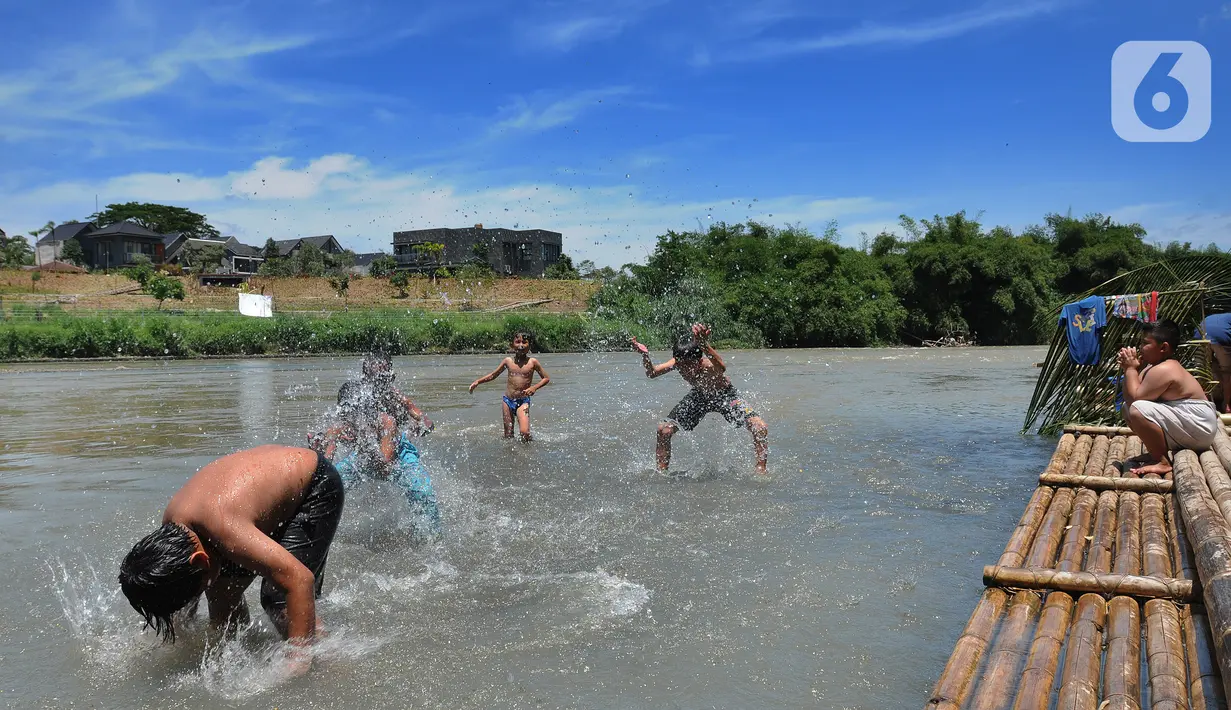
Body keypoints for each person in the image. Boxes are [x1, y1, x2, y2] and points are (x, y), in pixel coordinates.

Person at [118, 445, 344, 654]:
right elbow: (181, 600)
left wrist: (297, 662)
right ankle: (239, 651)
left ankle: (326, 658)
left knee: (278, 599)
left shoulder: (225, 529)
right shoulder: (173, 534)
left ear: (199, 560)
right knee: (223, 595)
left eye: (199, 589)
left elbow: (300, 579)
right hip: (254, 503)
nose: (200, 594)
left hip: (314, 485)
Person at [632, 323, 769, 475]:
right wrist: (645, 355)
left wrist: (704, 344)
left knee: (759, 427)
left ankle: (760, 470)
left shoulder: (708, 365)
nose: (684, 370)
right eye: (680, 365)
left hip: (725, 395)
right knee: (664, 430)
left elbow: (721, 367)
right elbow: (652, 373)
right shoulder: (678, 362)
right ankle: (661, 472)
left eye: (689, 366)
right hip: (699, 396)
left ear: (698, 360)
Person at [312, 380, 441, 539]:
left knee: (424, 493)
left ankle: (433, 537)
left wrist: (365, 446)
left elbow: (386, 469)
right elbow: (326, 470)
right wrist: (316, 456)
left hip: (399, 459)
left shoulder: (387, 422)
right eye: (346, 414)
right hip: (361, 459)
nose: (351, 420)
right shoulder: (338, 425)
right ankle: (315, 534)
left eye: (356, 413)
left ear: (368, 408)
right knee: (323, 488)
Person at [1118, 319, 1219, 475]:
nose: (1140, 348)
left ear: (1163, 347)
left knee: (1137, 409)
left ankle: (1163, 461)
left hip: (1200, 426)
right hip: (1191, 424)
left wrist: (1130, 369)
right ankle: (1156, 453)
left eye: (1145, 343)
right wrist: (1130, 370)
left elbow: (1135, 400)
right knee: (1127, 409)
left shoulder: (1166, 368)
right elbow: (1130, 396)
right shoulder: (1153, 367)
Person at [468, 332, 551, 441]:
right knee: (508, 435)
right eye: (517, 342)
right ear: (512, 345)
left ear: (530, 346)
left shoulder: (532, 362)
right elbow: (494, 375)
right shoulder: (508, 361)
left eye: (524, 342)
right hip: (507, 401)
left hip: (523, 401)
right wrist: (478, 381)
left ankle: (529, 449)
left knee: (525, 432)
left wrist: (534, 388)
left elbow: (546, 378)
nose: (521, 345)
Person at [1204, 313, 1231, 413]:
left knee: (1203, 370)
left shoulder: (1217, 317)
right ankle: (1226, 405)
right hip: (1221, 337)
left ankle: (1204, 402)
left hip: (1200, 336)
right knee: (1227, 372)